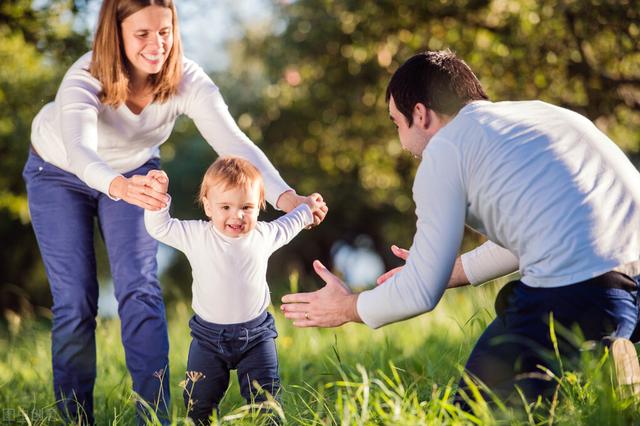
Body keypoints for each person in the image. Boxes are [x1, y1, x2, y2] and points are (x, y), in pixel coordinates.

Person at [22, 0, 326, 423]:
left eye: (164, 31)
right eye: (142, 34)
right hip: (58, 171)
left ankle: (154, 417)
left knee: (140, 289)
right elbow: (80, 150)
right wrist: (118, 186)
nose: (157, 44)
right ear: (117, 34)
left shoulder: (186, 78)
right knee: (75, 301)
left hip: (135, 172)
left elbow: (234, 143)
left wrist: (287, 198)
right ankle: (75, 417)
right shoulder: (85, 77)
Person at [280, 50, 640, 405]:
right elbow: (545, 230)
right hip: (623, 280)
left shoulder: (445, 151)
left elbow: (421, 293)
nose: (402, 142)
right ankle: (608, 353)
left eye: (396, 123)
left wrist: (347, 307)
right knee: (514, 303)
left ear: (419, 114)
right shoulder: (543, 115)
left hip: (586, 290)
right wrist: (450, 271)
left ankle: (602, 349)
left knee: (473, 411)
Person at [144, 157, 325, 424]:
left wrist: (308, 208)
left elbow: (291, 222)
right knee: (198, 402)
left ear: (259, 206)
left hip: (256, 337)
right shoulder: (196, 235)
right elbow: (159, 227)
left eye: (247, 207)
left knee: (267, 401)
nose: (236, 215)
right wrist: (158, 200)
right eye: (225, 206)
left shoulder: (264, 235)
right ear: (208, 206)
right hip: (207, 338)